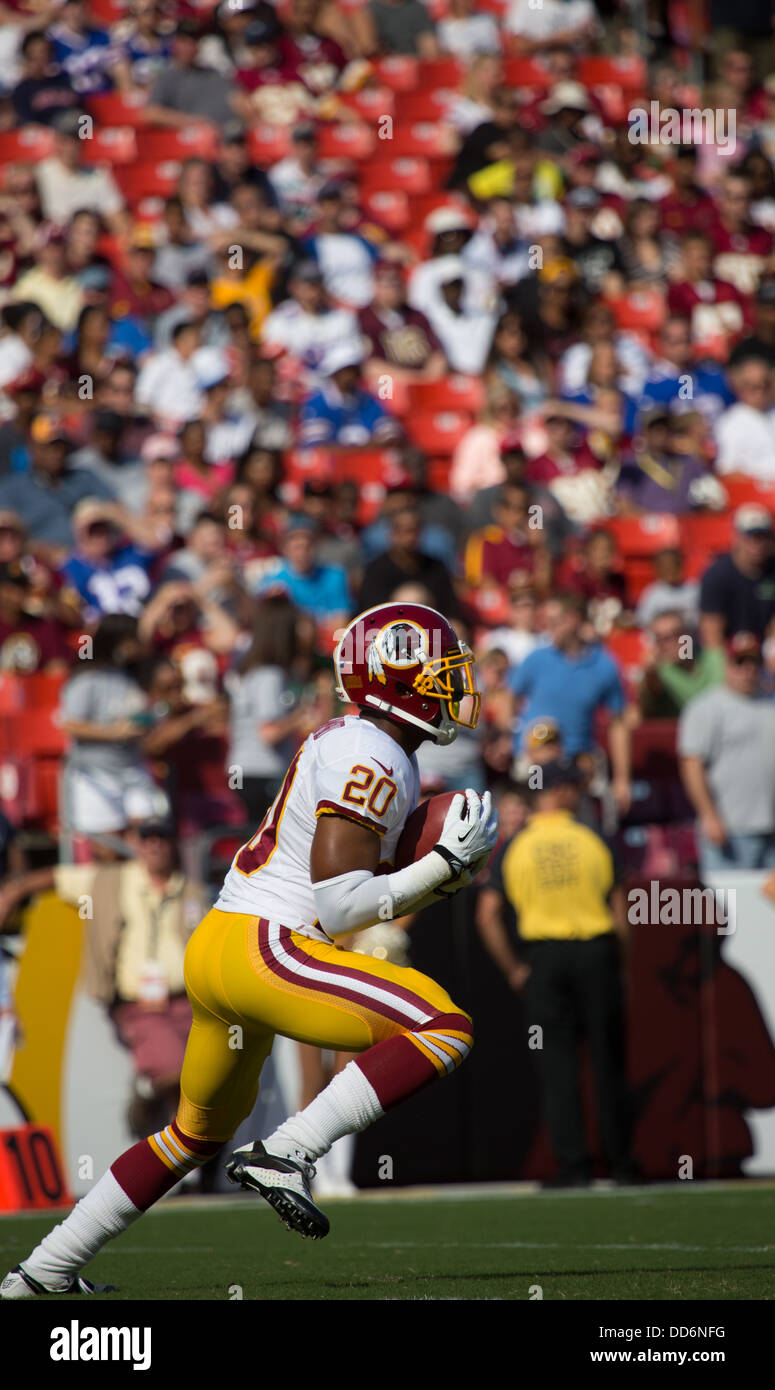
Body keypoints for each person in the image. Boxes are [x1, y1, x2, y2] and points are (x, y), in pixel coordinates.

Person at [1, 601, 498, 1296]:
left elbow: (349, 892)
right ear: (395, 681)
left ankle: (43, 1273)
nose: (455, 688)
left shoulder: (363, 743)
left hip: (222, 949)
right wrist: (441, 867)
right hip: (268, 948)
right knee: (442, 1027)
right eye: (442, 674)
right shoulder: (374, 753)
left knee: (190, 1137)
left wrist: (425, 872)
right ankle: (289, 1150)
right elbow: (341, 903)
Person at [0, 820, 210, 1142]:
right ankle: (148, 1093)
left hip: (187, 1002)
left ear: (173, 846)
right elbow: (56, 877)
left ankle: (185, 1163)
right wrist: (15, 891)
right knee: (177, 1072)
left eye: (162, 840)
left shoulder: (191, 890)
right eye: (148, 839)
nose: (155, 847)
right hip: (139, 1006)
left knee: (200, 1088)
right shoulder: (111, 881)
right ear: (137, 845)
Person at [478, 757, 634, 1187]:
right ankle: (621, 1164)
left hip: (543, 960)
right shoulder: (594, 839)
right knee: (608, 1063)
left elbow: (486, 915)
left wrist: (514, 969)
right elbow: (620, 913)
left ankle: (573, 1166)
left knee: (557, 1067)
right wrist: (621, 965)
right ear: (564, 793)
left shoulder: (516, 845)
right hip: (596, 954)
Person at [510, 592, 631, 814]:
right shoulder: (536, 659)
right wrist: (513, 738)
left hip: (577, 766)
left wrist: (622, 780)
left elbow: (618, 724)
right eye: (547, 622)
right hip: (535, 764)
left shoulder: (604, 665)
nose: (549, 628)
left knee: (584, 829)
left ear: (574, 619)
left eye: (555, 622)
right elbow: (508, 699)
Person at [679, 631, 775, 875]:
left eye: (753, 662)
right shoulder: (706, 707)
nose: (748, 670)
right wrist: (708, 815)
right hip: (731, 828)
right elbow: (692, 765)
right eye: (740, 662)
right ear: (727, 664)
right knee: (729, 908)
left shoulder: (770, 703)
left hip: (771, 827)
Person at [699, 503, 775, 647]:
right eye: (750, 537)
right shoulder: (717, 574)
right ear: (736, 537)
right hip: (727, 650)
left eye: (762, 537)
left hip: (765, 650)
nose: (756, 544)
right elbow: (711, 632)